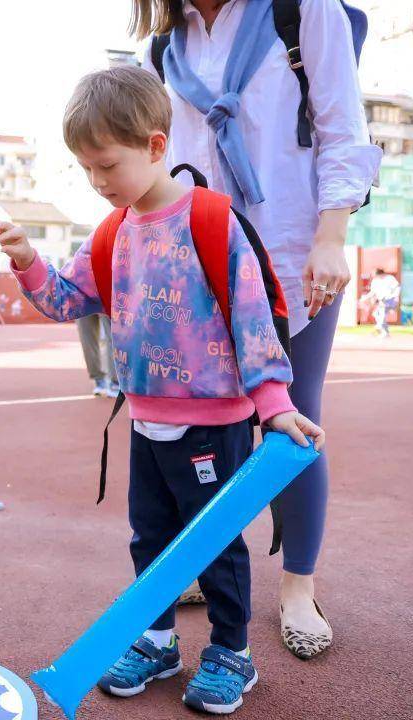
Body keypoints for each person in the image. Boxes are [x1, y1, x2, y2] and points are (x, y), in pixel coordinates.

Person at [0, 66, 324, 715]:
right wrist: (28, 259)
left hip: (214, 423)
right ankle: (157, 639)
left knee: (216, 544)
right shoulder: (111, 231)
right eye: (84, 169)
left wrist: (276, 407)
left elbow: (254, 318)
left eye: (105, 165)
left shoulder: (209, 221)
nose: (97, 181)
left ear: (154, 144)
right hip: (146, 419)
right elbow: (65, 301)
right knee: (151, 538)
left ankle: (231, 650)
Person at [133, 0, 381, 658]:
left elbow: (342, 127)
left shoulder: (303, 11)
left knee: (293, 417)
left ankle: (297, 585)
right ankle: (205, 557)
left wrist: (332, 237)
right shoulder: (164, 44)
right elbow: (153, 158)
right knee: (198, 423)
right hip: (195, 258)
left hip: (291, 251)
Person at [77, 314, 119, 397]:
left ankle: (100, 381)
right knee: (112, 333)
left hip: (82, 301)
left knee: (87, 336)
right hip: (107, 301)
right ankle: (114, 383)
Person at [362, 268, 401, 336]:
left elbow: (397, 287)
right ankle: (384, 331)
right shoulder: (375, 281)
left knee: (382, 314)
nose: (373, 275)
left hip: (389, 300)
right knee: (376, 314)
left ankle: (380, 328)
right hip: (381, 300)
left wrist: (395, 296)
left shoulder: (389, 278)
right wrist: (365, 298)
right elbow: (373, 292)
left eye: (374, 273)